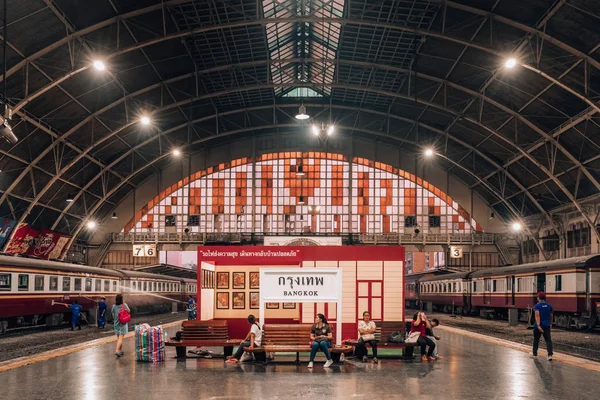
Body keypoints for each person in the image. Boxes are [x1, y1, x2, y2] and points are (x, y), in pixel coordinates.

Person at [531, 291, 553, 361]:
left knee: (536, 340)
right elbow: (551, 316)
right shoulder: (549, 306)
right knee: (548, 340)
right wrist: (550, 323)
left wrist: (538, 325)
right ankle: (550, 355)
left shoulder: (537, 306)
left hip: (538, 326)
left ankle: (534, 354)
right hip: (547, 325)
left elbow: (537, 315)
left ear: (539, 298)